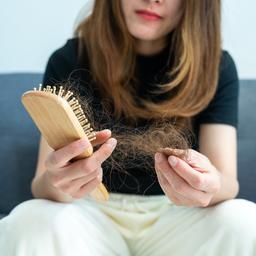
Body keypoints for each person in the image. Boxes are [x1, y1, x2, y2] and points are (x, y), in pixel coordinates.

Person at [0, 0, 256, 255]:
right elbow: (41, 185)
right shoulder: (68, 59)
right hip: (88, 217)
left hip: (178, 218)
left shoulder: (216, 66)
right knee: (29, 219)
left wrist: (208, 185)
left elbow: (228, 183)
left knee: (244, 220)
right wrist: (60, 181)